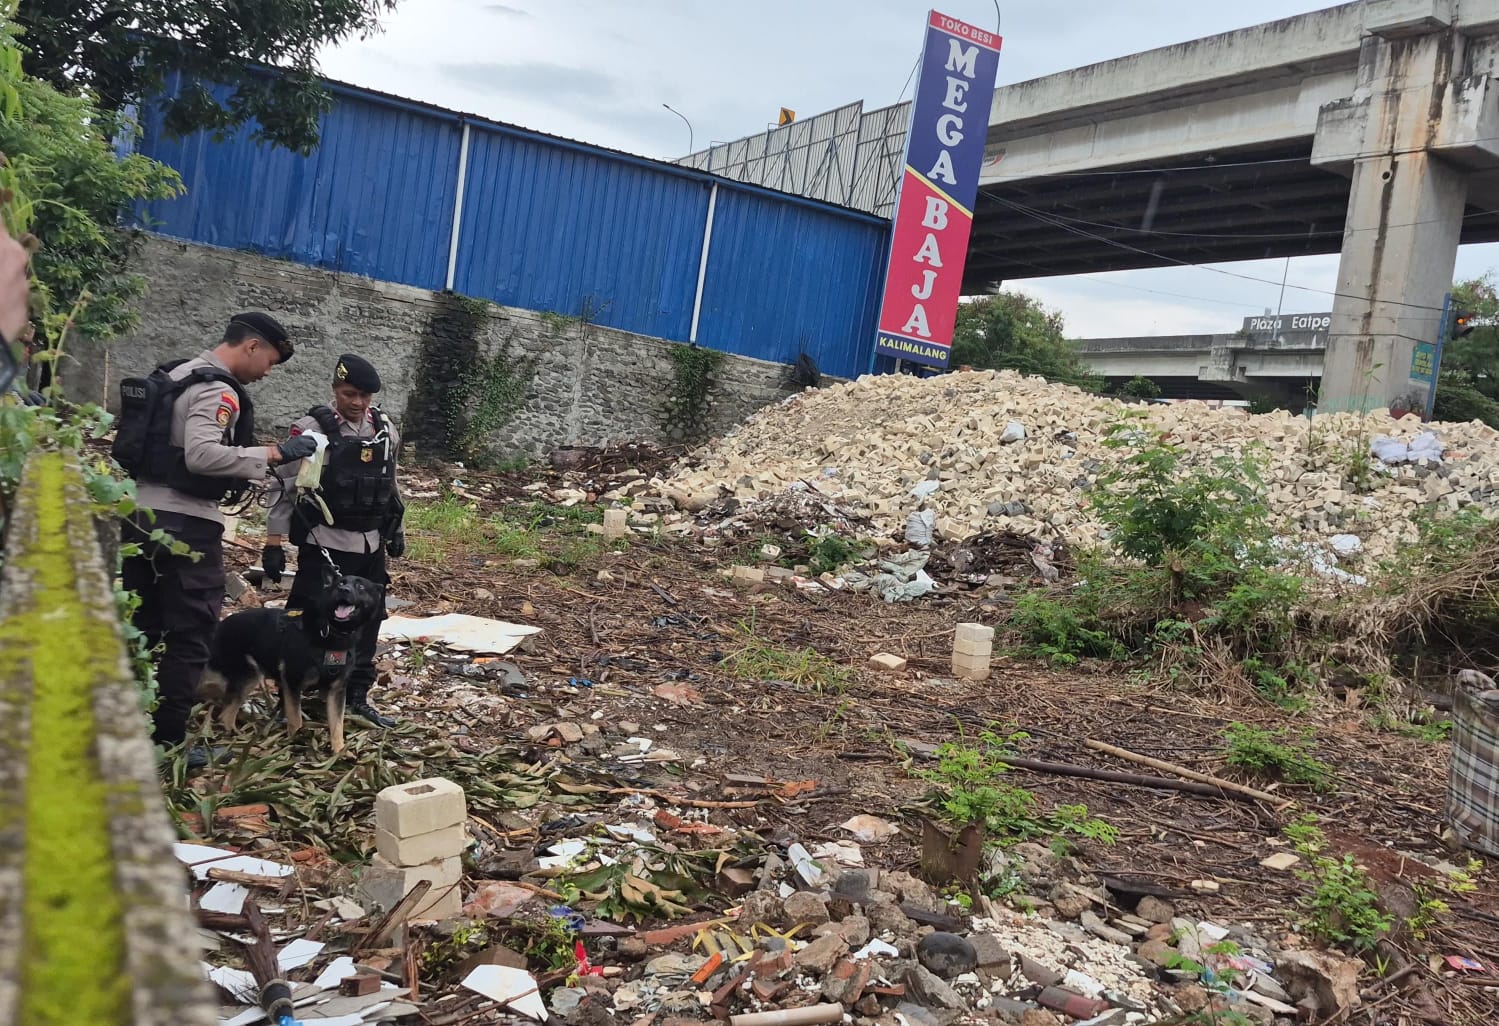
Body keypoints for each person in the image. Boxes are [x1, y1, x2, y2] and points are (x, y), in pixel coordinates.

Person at [118, 312, 313, 766]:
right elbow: (202, 454)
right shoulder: (217, 388)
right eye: (269, 361)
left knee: (142, 627)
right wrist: (274, 452)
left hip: (140, 515)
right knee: (191, 633)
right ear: (251, 346)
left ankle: (123, 727)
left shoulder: (174, 375)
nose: (267, 372)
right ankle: (167, 743)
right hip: (185, 522)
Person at [264, 353, 405, 729]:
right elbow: (285, 487)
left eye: (365, 396)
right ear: (335, 390)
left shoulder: (386, 429)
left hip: (371, 544)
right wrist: (273, 542)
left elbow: (389, 482)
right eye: (349, 394)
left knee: (369, 620)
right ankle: (290, 699)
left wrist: (397, 526)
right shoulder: (312, 430)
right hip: (324, 542)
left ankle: (355, 697)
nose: (358, 403)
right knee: (306, 621)